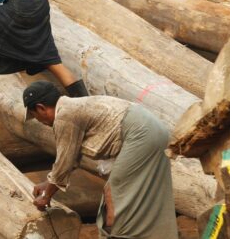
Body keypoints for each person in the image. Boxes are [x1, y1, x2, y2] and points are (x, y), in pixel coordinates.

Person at [23, 80, 178, 239]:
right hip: (152, 128)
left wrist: (46, 196)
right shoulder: (71, 106)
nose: (40, 122)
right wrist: (49, 183)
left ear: (41, 108)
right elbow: (73, 157)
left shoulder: (64, 116)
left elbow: (65, 161)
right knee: (120, 194)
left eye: (35, 116)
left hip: (141, 134)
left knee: (117, 197)